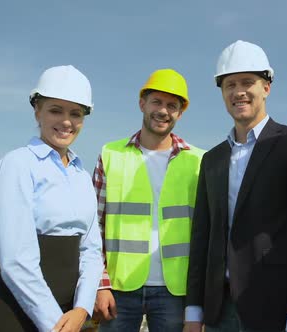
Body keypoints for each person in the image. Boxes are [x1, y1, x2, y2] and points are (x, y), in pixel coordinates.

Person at [184, 40, 287, 332]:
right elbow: (202, 239)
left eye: (248, 82)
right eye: (229, 84)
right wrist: (193, 311)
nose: (239, 91)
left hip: (275, 310)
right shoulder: (212, 159)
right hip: (218, 313)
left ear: (267, 87)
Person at [0, 65, 103, 332]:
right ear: (37, 111)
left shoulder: (81, 174)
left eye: (75, 114)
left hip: (68, 312)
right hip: (14, 309)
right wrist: (54, 324)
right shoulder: (17, 165)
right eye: (56, 110)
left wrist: (82, 308)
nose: (66, 121)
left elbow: (91, 249)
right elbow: (16, 260)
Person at [91, 68, 205, 331]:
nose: (163, 111)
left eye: (172, 105)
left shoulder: (199, 161)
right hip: (119, 289)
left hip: (175, 291)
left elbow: (206, 235)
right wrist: (100, 284)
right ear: (142, 103)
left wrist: (198, 301)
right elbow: (92, 228)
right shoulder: (110, 154)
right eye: (157, 102)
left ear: (180, 112)